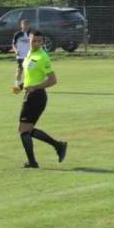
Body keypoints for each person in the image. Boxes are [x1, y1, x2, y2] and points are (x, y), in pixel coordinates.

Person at [16, 30, 67, 169]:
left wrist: (36, 87)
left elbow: (53, 80)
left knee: (23, 130)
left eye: (39, 41)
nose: (36, 43)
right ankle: (58, 146)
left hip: (36, 97)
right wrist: (21, 86)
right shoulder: (29, 54)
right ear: (29, 40)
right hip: (30, 95)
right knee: (27, 129)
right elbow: (31, 77)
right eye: (34, 40)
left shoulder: (42, 57)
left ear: (42, 42)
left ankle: (34, 161)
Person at [11, 19, 31, 92]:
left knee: (30, 71)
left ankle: (28, 85)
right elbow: (13, 44)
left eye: (27, 24)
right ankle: (17, 85)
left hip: (30, 56)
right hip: (21, 56)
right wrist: (16, 51)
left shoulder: (31, 34)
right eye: (24, 24)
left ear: (29, 25)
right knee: (20, 70)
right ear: (21, 25)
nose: (25, 26)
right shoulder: (17, 34)